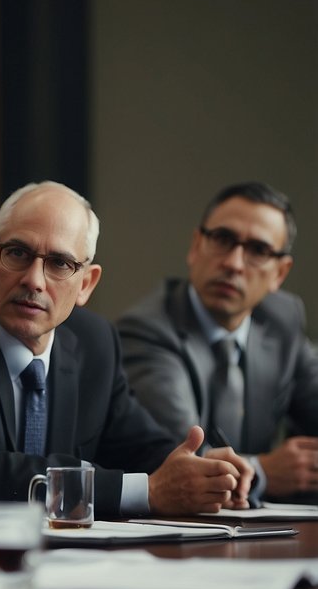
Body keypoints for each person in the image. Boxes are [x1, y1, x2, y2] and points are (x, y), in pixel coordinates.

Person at [0, 181, 252, 517]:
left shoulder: (95, 342)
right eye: (17, 253)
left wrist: (202, 470)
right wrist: (147, 492)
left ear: (86, 284)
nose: (34, 280)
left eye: (60, 263)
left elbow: (138, 443)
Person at [119, 182, 318, 502]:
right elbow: (185, 463)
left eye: (258, 251)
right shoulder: (147, 330)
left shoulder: (284, 318)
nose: (234, 263)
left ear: (280, 273)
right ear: (196, 246)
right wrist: (264, 472)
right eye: (223, 239)